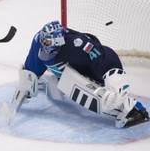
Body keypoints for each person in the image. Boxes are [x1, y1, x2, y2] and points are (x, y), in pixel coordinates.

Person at [12, 20, 149, 128]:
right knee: (63, 82)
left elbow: (105, 55)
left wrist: (114, 76)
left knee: (103, 98)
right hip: (66, 71)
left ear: (58, 41)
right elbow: (32, 66)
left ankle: (133, 110)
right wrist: (28, 81)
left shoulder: (78, 44)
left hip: (90, 70)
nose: (44, 44)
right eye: (44, 41)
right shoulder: (39, 41)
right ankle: (51, 82)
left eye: (48, 42)